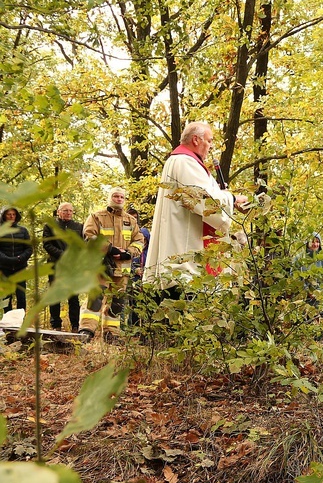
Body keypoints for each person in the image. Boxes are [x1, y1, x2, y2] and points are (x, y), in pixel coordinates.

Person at [143, 122, 248, 299]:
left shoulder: (179, 161)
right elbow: (203, 200)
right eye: (209, 140)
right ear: (196, 139)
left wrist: (226, 198)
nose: (211, 145)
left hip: (179, 258)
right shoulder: (185, 162)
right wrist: (232, 199)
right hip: (185, 263)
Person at [80, 187, 145, 340]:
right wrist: (109, 249)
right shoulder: (96, 217)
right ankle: (86, 330)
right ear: (110, 198)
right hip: (101, 266)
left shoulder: (131, 220)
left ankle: (111, 334)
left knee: (118, 303)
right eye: (116, 196)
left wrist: (128, 252)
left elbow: (139, 241)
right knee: (95, 299)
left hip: (122, 269)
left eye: (121, 197)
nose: (119, 199)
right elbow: (89, 236)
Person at [42, 202, 84, 331]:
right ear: (58, 212)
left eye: (71, 211)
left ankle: (75, 325)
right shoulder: (50, 226)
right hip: (55, 265)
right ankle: (56, 325)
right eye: (65, 211)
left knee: (73, 297)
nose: (68, 213)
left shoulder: (78, 226)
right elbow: (47, 245)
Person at [0, 207, 32, 312]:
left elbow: (29, 248)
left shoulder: (23, 230)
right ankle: (7, 321)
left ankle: (20, 320)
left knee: (21, 296)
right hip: (4, 268)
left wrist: (20, 258)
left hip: (20, 268)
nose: (11, 216)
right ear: (4, 216)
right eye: (9, 214)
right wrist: (7, 259)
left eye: (13, 214)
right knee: (6, 296)